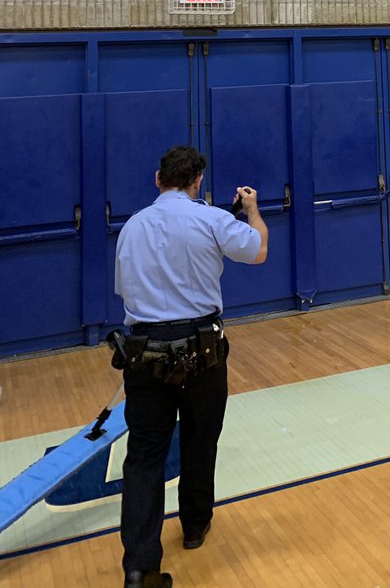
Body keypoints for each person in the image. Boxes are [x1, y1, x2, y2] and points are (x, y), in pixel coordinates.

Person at [112, 146, 268, 588]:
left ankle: (139, 569)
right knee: (200, 441)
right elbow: (257, 251)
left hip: (144, 355)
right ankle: (196, 526)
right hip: (203, 352)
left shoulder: (132, 227)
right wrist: (251, 211)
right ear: (198, 181)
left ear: (157, 179)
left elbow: (125, 292)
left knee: (143, 458)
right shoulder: (215, 219)